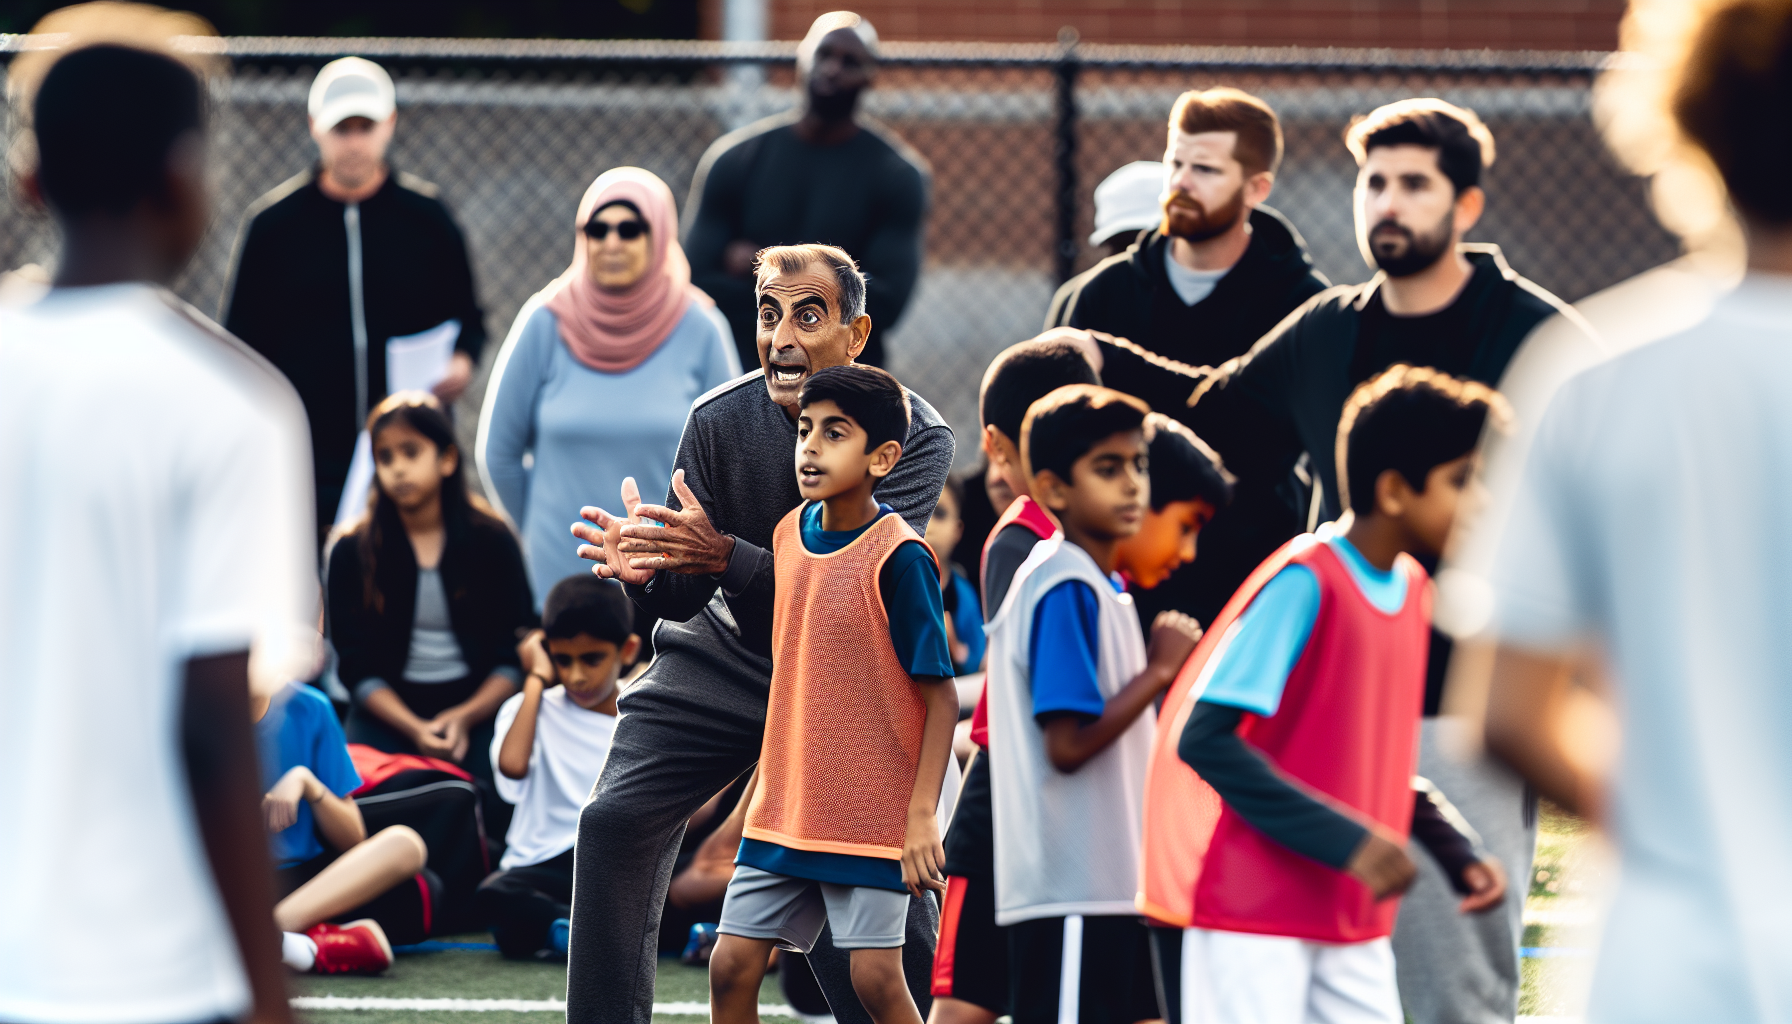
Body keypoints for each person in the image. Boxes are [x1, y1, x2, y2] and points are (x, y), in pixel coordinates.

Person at [1184, 99, 1595, 1022]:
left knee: (1454, 982)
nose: (1389, 204)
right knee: (1338, 987)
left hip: (1472, 704)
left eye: (1415, 185)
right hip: (1331, 713)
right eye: (1375, 183)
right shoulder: (1329, 331)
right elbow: (1212, 420)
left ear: (1468, 205)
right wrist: (1089, 360)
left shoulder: (1541, 339)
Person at [1478, 4, 1792, 1019]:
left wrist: (1687, 821)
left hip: (1663, 970)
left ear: (1686, 126)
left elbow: (1510, 714)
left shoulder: (1592, 375)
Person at [0, 39, 315, 1024]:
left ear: (30, 176)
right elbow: (215, 720)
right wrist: (267, 998)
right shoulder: (232, 404)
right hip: (154, 970)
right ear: (186, 180)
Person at [567, 243, 954, 1024]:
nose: (782, 336)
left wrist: (721, 556)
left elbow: (849, 590)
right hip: (728, 654)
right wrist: (651, 568)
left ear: (855, 334)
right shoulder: (716, 420)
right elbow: (684, 596)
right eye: (769, 314)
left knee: (882, 931)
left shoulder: (913, 435)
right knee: (611, 821)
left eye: (808, 315)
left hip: (847, 678)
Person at [1170, 367, 1508, 1024]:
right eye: (1464, 481)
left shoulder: (1412, 591)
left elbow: (1365, 764)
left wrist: (1455, 849)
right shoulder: (1306, 582)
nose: (1483, 503)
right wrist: (1349, 842)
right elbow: (1204, 739)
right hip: (1256, 919)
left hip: (1351, 921)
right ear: (1393, 490)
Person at [708, 365, 959, 1024]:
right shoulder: (788, 534)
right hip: (786, 811)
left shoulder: (901, 558)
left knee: (876, 980)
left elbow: (942, 699)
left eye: (835, 433)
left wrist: (919, 818)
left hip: (871, 819)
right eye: (806, 431)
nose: (811, 448)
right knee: (731, 966)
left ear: (883, 457)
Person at [1052, 88, 1330, 628]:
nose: (1180, 182)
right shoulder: (1103, 295)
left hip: (1251, 575)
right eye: (1174, 162)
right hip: (1117, 576)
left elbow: (1271, 444)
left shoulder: (1301, 303)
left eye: (1204, 168)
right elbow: (1058, 433)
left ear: (1257, 188)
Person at [983, 385, 1202, 1024]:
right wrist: (1161, 669)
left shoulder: (1099, 585)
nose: (1132, 485)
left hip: (1107, 887)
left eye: (1137, 466)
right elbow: (1068, 742)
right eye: (1108, 469)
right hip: (1071, 890)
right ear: (1052, 489)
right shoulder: (1064, 583)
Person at [224, 56, 487, 540]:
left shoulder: (428, 219)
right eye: (341, 128)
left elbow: (469, 316)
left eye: (364, 126)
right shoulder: (273, 227)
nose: (353, 142)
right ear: (314, 128)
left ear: (389, 125)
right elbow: (239, 341)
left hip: (407, 456)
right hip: (302, 454)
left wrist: (463, 360)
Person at [930, 336, 1099, 1024]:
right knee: (967, 1001)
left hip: (1062, 793)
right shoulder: (1020, 541)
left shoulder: (1087, 542)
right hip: (1005, 789)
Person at [478, 167, 740, 610]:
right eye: (597, 229)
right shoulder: (545, 321)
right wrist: (542, 531)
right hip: (563, 567)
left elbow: (729, 454)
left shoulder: (701, 328)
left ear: (658, 235)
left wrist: (687, 545)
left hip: (670, 577)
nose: (611, 243)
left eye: (629, 229)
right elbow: (498, 455)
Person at [327, 392, 534, 836]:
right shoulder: (351, 550)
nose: (397, 468)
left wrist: (463, 717)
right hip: (387, 711)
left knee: (497, 808)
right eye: (384, 457)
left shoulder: (492, 540)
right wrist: (415, 727)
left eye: (410, 452)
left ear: (446, 459)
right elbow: (354, 664)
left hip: (478, 707)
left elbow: (511, 651)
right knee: (353, 802)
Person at [684, 11, 929, 369]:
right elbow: (699, 284)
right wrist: (836, 291)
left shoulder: (897, 175)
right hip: (742, 371)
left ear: (869, 77)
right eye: (824, 55)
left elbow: (885, 304)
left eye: (850, 61)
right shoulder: (735, 159)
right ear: (802, 58)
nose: (832, 68)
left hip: (845, 389)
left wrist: (760, 271)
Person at [476, 575, 637, 960]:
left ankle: (570, 931)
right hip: (543, 866)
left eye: (591, 659)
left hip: (611, 864)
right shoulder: (528, 709)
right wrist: (535, 677)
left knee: (674, 886)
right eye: (563, 660)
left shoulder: (641, 713)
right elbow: (512, 766)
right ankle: (577, 932)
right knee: (496, 895)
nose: (576, 676)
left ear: (627, 650)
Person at [255, 681, 431, 975]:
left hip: (304, 883)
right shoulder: (189, 706)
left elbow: (353, 839)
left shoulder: (309, 706)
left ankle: (266, 937)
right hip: (229, 883)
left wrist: (308, 784)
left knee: (408, 860)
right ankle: (300, 947)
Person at [924, 476, 986, 674]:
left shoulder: (963, 594)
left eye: (939, 514)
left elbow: (978, 660)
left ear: (957, 531)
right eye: (922, 510)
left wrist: (956, 649)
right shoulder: (887, 582)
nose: (928, 524)